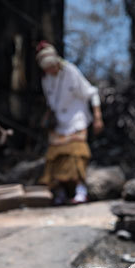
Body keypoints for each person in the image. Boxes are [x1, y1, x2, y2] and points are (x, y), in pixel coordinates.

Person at [35, 41, 103, 204]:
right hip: (58, 123)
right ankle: (59, 193)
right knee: (55, 157)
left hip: (76, 120)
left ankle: (81, 191)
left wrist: (97, 116)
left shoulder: (71, 71)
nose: (50, 71)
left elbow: (91, 92)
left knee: (76, 155)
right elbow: (50, 102)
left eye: (51, 67)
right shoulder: (46, 79)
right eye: (46, 69)